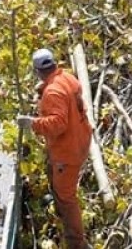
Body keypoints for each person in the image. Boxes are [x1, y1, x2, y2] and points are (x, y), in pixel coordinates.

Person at [17, 48, 92, 249]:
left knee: (67, 198)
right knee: (53, 173)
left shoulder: (53, 92)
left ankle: (77, 243)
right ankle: (58, 207)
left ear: (37, 71)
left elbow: (58, 124)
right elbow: (67, 99)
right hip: (80, 140)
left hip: (67, 152)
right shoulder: (67, 78)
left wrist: (33, 123)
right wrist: (43, 91)